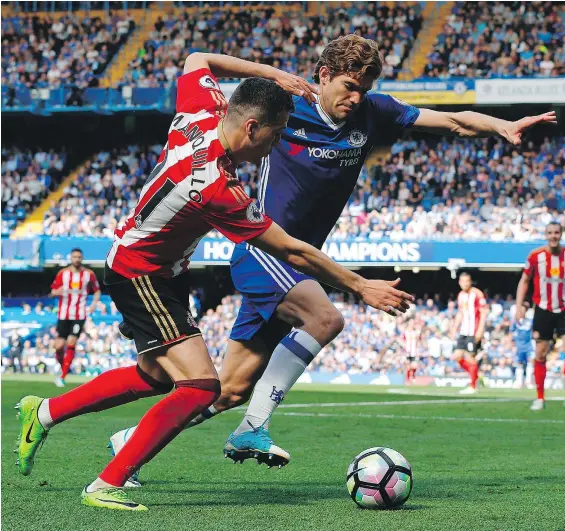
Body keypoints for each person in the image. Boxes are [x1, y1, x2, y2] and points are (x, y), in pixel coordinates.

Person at [110, 34, 557, 473]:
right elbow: (204, 73)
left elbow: (452, 122)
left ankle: (129, 442)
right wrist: (270, 73)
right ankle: (255, 427)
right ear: (323, 76)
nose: (357, 97)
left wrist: (501, 125)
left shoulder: (373, 112)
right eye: (349, 86)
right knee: (326, 319)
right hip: (266, 248)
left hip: (303, 259)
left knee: (228, 389)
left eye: (364, 89)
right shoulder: (286, 110)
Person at [15, 52, 413, 512]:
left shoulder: (201, 112)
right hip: (140, 272)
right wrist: (361, 286)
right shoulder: (217, 188)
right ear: (251, 129)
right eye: (277, 135)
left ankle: (43, 412)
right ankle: (107, 483)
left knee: (155, 377)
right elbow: (292, 250)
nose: (277, 145)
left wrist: (273, 75)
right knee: (202, 386)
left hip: (159, 270)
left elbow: (196, 58)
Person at [515, 221, 565, 411]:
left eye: (556, 232)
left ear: (561, 234)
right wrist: (519, 306)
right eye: (550, 233)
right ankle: (540, 398)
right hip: (542, 309)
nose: (553, 236)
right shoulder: (535, 256)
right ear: (545, 235)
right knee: (541, 353)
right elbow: (524, 281)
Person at [50, 248, 101, 387]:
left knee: (72, 342)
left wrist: (93, 304)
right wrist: (56, 292)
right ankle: (64, 368)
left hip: (79, 314)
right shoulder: (63, 274)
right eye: (74, 257)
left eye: (79, 257)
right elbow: (52, 291)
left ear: (82, 258)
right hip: (63, 314)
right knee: (58, 346)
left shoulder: (89, 274)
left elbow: (97, 291)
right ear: (71, 258)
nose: (77, 259)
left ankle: (62, 376)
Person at [450, 272, 489, 395]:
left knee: (470, 358)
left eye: (467, 281)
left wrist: (480, 331)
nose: (465, 283)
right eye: (463, 281)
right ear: (460, 282)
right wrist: (454, 327)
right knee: (457, 356)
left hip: (474, 331)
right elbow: (461, 312)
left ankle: (472, 386)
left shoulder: (477, 294)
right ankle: (477, 375)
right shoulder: (461, 295)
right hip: (464, 331)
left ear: (470, 282)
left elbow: (483, 313)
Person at [511, 301, 534, 388]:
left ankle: (528, 381)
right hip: (519, 345)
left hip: (529, 345)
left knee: (530, 362)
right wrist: (512, 344)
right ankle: (519, 381)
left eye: (524, 310)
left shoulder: (530, 321)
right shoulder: (516, 322)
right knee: (519, 363)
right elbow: (511, 332)